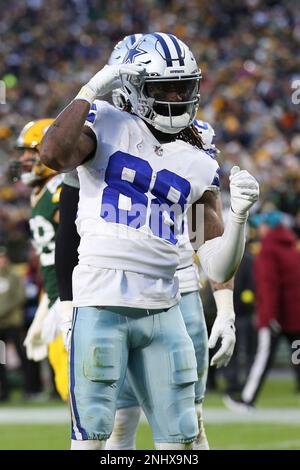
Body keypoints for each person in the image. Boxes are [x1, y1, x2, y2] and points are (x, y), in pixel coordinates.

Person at [41, 32, 259, 450]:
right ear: (131, 88)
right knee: (95, 435)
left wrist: (240, 218)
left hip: (167, 304)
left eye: (183, 86)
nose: (177, 97)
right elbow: (52, 154)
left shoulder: (198, 159)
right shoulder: (103, 122)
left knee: (182, 437)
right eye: (163, 88)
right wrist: (90, 89)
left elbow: (215, 264)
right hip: (101, 298)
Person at [14, 120, 68, 401]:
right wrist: (47, 303)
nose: (24, 159)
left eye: (30, 152)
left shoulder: (61, 188)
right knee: (66, 385)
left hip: (73, 297)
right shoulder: (40, 192)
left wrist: (66, 296)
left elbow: (77, 242)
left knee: (79, 389)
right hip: (57, 294)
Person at [225, 211, 300, 411]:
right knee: (297, 356)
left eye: (261, 225)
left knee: (262, 358)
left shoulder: (268, 250)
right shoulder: (291, 248)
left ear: (269, 227)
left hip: (277, 317)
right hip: (295, 317)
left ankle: (247, 399)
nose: (259, 229)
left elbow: (268, 287)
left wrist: (269, 316)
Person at [0, 246, 26, 401]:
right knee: (1, 359)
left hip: (12, 323)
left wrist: (3, 309)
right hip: (0, 324)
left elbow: (19, 296)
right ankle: (5, 391)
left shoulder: (14, 276)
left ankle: (29, 388)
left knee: (21, 354)